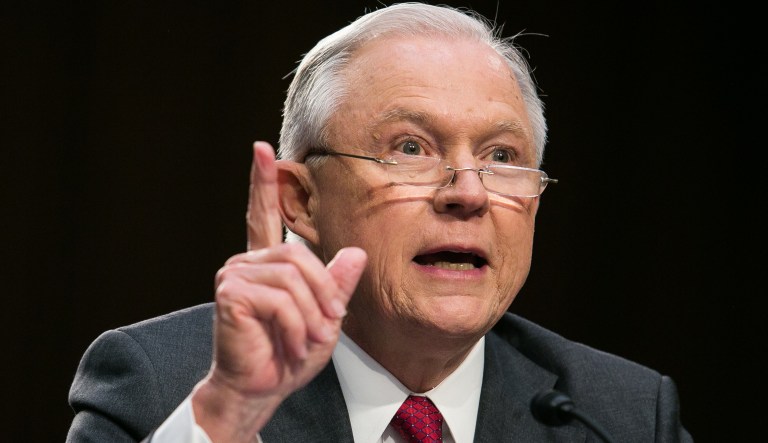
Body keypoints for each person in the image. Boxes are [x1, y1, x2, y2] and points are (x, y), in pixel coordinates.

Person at [66, 2, 692, 442]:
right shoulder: (162, 388)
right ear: (301, 201)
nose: (468, 194)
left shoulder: (620, 415)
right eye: (412, 149)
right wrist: (228, 418)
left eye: (502, 157)